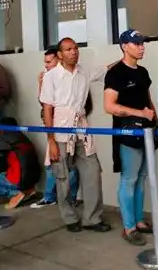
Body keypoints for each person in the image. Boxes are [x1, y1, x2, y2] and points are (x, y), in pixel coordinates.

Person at [40, 37, 114, 233]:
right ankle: (69, 217)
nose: (73, 52)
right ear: (60, 54)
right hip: (60, 130)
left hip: (81, 129)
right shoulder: (51, 76)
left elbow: (106, 69)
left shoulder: (84, 71)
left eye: (75, 48)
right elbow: (47, 109)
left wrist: (126, 57)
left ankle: (92, 218)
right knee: (62, 177)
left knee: (92, 171)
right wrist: (51, 140)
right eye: (68, 49)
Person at [104, 29, 158, 246]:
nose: (142, 47)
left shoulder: (143, 72)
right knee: (130, 179)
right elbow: (110, 106)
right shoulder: (115, 73)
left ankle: (138, 220)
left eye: (143, 43)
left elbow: (147, 99)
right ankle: (128, 227)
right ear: (125, 46)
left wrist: (155, 121)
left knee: (142, 178)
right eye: (137, 44)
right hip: (128, 134)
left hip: (146, 132)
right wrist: (140, 114)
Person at [31, 47, 80, 209]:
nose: (46, 66)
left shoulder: (70, 77)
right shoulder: (48, 77)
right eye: (44, 62)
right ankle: (53, 196)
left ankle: (63, 197)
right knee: (54, 162)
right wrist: (41, 83)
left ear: (58, 59)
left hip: (67, 127)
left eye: (48, 62)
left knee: (68, 164)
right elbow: (44, 103)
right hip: (52, 127)